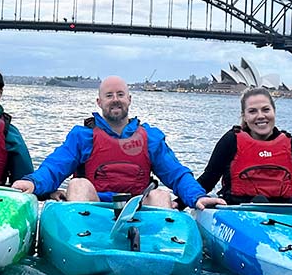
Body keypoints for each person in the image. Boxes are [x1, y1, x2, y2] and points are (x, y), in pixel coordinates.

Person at [11, 76, 225, 210]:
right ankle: (82, 243)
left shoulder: (150, 137)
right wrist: (32, 183)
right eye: (109, 95)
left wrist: (198, 196)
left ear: (129, 99)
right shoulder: (83, 136)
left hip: (137, 208)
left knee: (160, 195)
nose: (115, 99)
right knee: (77, 184)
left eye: (120, 94)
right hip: (94, 206)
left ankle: (162, 251)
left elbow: (176, 173)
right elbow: (54, 168)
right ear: (99, 102)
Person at [197, 87, 292, 204]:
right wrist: (181, 201)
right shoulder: (231, 141)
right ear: (244, 116)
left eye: (265, 110)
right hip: (241, 210)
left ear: (274, 112)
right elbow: (208, 180)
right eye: (252, 111)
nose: (260, 116)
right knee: (259, 200)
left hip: (283, 214)